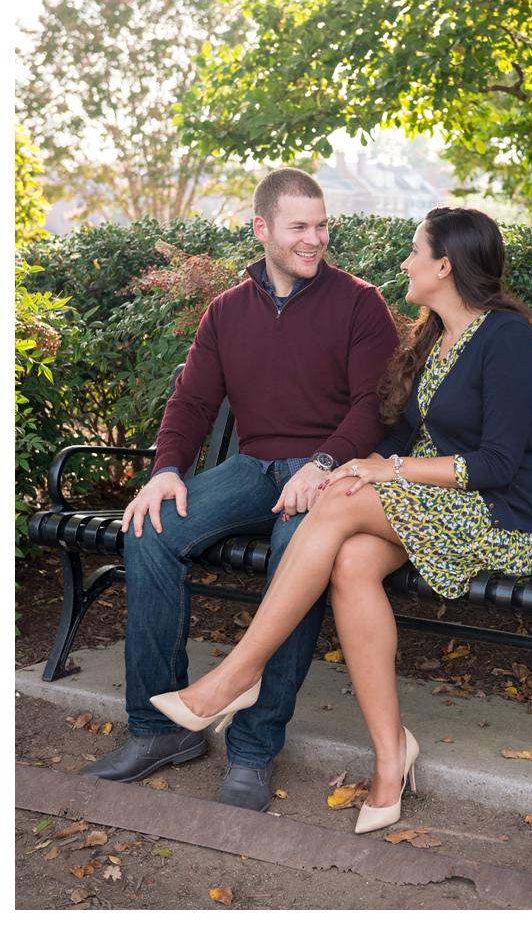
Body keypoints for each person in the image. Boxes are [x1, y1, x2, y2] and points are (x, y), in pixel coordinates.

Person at [149, 206, 532, 834]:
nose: (404, 263)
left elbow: (500, 464)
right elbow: (396, 428)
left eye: (415, 252)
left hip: (496, 515)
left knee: (338, 497)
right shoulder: (433, 336)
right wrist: (363, 460)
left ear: (445, 266)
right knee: (348, 559)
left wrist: (382, 470)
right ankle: (391, 754)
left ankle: (236, 676)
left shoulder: (505, 336)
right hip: (436, 508)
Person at [87, 169, 400, 811]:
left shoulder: (359, 303)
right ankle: (158, 732)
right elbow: (193, 401)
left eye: (321, 225)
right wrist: (166, 469)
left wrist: (325, 460)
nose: (315, 239)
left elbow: (375, 406)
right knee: (150, 529)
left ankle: (253, 750)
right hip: (253, 467)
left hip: (329, 475)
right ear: (263, 230)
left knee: (296, 558)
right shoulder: (226, 311)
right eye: (299, 227)